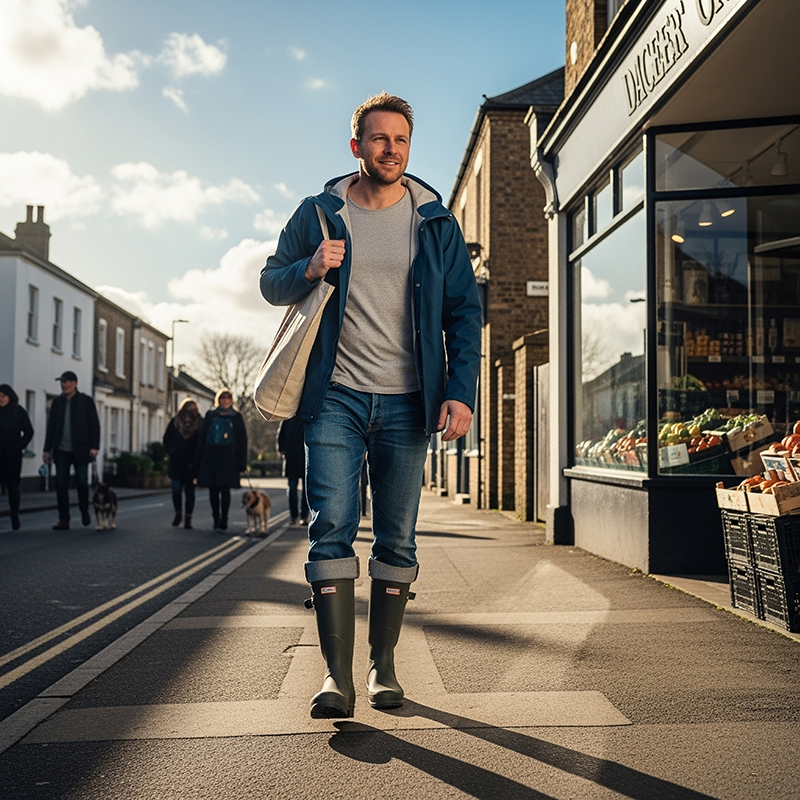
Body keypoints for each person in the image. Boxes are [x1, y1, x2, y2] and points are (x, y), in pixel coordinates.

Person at [260, 92, 481, 718]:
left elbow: (465, 314)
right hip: (334, 396)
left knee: (397, 536)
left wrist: (460, 390)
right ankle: (338, 676)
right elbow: (270, 282)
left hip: (409, 402)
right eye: (380, 139)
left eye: (401, 140)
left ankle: (383, 666)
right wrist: (309, 267)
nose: (391, 150)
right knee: (330, 525)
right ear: (357, 145)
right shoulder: (318, 214)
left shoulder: (435, 222)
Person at [43, 371, 100, 530]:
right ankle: (64, 519)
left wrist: (94, 446)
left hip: (81, 449)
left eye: (67, 382)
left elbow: (94, 425)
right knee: (61, 484)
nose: (64, 385)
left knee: (82, 483)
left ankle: (84, 509)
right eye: (62, 382)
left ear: (74, 384)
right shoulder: (57, 402)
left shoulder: (86, 401)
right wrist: (46, 449)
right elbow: (51, 427)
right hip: (61, 450)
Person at [195, 389, 247, 531]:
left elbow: (242, 441)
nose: (225, 400)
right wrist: (198, 460)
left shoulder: (232, 417)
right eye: (222, 398)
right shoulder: (214, 415)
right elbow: (202, 438)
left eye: (227, 398)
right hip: (214, 457)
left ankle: (223, 518)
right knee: (214, 490)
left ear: (231, 400)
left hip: (226, 458)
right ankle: (217, 518)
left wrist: (242, 462)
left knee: (224, 490)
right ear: (218, 400)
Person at [163, 397, 202, 529]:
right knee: (176, 489)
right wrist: (171, 451)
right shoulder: (175, 422)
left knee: (190, 492)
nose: (189, 415)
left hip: (191, 463)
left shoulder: (200, 424)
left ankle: (188, 518)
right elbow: (166, 439)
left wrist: (197, 460)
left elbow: (201, 443)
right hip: (176, 462)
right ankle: (178, 513)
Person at [0, 384, 34, 531]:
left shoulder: (18, 411)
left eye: (3, 396)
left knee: (13, 487)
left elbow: (28, 432)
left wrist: (18, 446)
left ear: (10, 397)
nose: (0, 399)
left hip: (12, 455)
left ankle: (14, 514)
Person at [277, 415, 308, 526]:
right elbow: (281, 434)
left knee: (306, 490)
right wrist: (281, 449)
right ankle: (294, 516)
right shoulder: (288, 416)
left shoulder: (307, 415)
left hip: (305, 457)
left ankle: (304, 516)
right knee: (292, 489)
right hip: (291, 457)